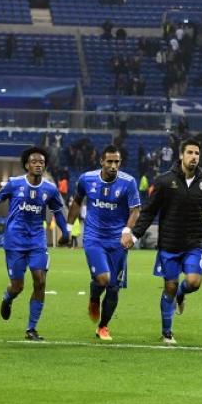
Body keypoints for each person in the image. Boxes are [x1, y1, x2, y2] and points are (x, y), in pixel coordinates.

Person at [131, 138, 202, 345]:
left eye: (197, 153)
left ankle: (182, 294)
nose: (194, 157)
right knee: (169, 287)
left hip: (194, 244)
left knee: (193, 282)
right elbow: (150, 211)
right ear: (181, 155)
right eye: (190, 152)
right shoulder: (164, 181)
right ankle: (167, 332)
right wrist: (135, 234)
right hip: (169, 245)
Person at [0, 147, 69, 341]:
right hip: (15, 241)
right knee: (17, 286)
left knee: (40, 280)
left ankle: (31, 328)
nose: (38, 164)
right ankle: (8, 297)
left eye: (41, 162)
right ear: (27, 165)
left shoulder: (50, 189)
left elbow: (58, 213)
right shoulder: (14, 184)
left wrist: (66, 232)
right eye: (34, 161)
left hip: (37, 241)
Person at [67, 145, 140, 342]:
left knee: (114, 287)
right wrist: (67, 227)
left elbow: (135, 210)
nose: (113, 165)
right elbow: (76, 201)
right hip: (94, 237)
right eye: (109, 161)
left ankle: (103, 326)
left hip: (118, 241)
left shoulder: (128, 183)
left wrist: (127, 231)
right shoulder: (86, 179)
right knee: (103, 279)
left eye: (117, 162)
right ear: (101, 162)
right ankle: (93, 298)